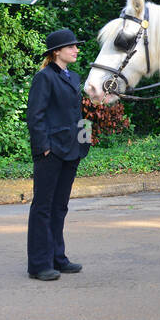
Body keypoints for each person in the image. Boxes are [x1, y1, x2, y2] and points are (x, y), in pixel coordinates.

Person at [26, 28, 91, 281]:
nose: (76, 50)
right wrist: (43, 147)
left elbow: (78, 114)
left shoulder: (73, 77)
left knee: (60, 207)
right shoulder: (44, 77)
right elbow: (35, 115)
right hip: (51, 151)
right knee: (43, 207)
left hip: (72, 150)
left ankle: (57, 258)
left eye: (76, 46)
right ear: (56, 52)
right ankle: (39, 264)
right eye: (71, 47)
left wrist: (84, 143)